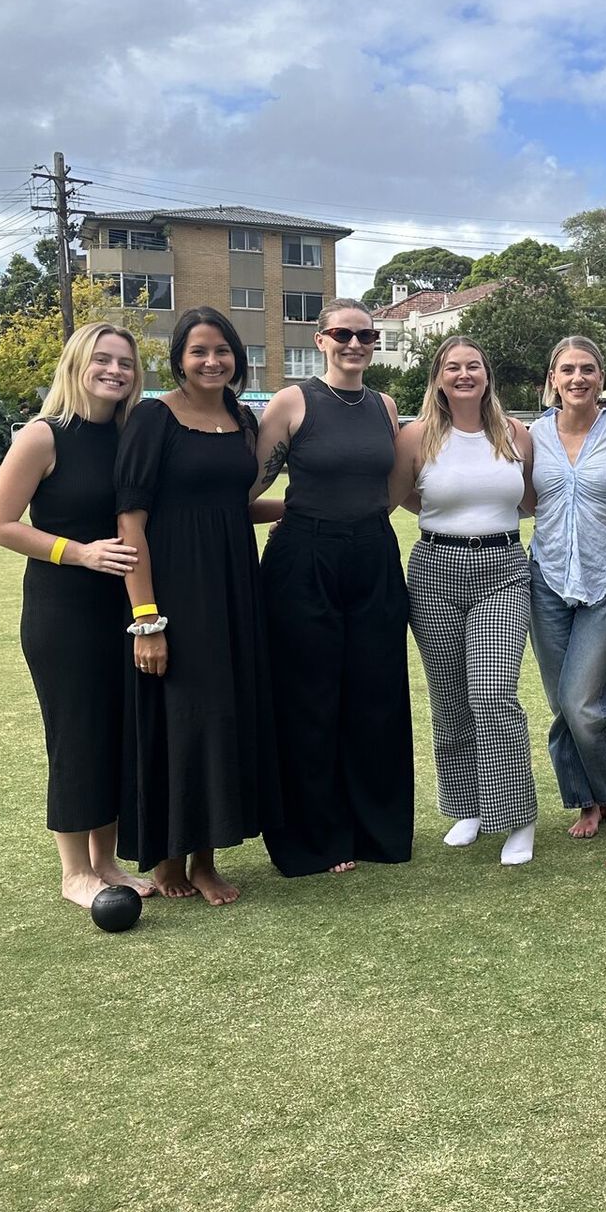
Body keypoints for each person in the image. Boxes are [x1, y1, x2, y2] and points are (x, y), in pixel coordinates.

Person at [0, 322, 152, 909]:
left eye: (125, 363)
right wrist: (78, 552)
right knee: (76, 734)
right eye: (102, 360)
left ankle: (106, 861)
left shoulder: (132, 436)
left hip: (124, 608)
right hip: (63, 611)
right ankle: (74, 869)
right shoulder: (43, 436)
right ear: (77, 365)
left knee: (116, 732)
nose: (115, 371)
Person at [116, 307, 281, 905]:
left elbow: (231, 507)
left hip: (235, 587)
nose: (212, 361)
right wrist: (146, 620)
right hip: (174, 593)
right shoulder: (152, 419)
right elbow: (131, 522)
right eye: (198, 352)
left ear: (237, 356)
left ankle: (206, 858)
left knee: (223, 716)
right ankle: (166, 858)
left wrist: (305, 506)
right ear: (178, 360)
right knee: (180, 719)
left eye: (222, 351)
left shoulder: (242, 418)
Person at [253, 299, 412, 877]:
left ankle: (376, 830)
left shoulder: (385, 406)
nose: (355, 344)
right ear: (320, 340)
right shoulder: (293, 401)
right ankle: (315, 837)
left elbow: (390, 485)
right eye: (343, 334)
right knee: (308, 698)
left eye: (365, 335)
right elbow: (245, 488)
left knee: (376, 695)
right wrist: (295, 512)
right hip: (304, 560)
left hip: (372, 553)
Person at [394, 335, 539, 866]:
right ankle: (469, 806)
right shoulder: (415, 437)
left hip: (502, 569)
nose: (463, 374)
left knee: (493, 692)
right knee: (450, 696)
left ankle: (517, 815)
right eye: (452, 367)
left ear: (486, 376)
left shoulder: (516, 434)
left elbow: (530, 500)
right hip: (434, 569)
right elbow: (403, 496)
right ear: (437, 377)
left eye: (473, 366)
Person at [528, 336, 606, 839]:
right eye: (567, 369)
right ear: (553, 379)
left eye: (588, 369)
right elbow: (526, 499)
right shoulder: (534, 435)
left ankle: (602, 780)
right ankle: (587, 799)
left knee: (581, 703)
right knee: (560, 702)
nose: (578, 378)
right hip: (546, 577)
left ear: (601, 376)